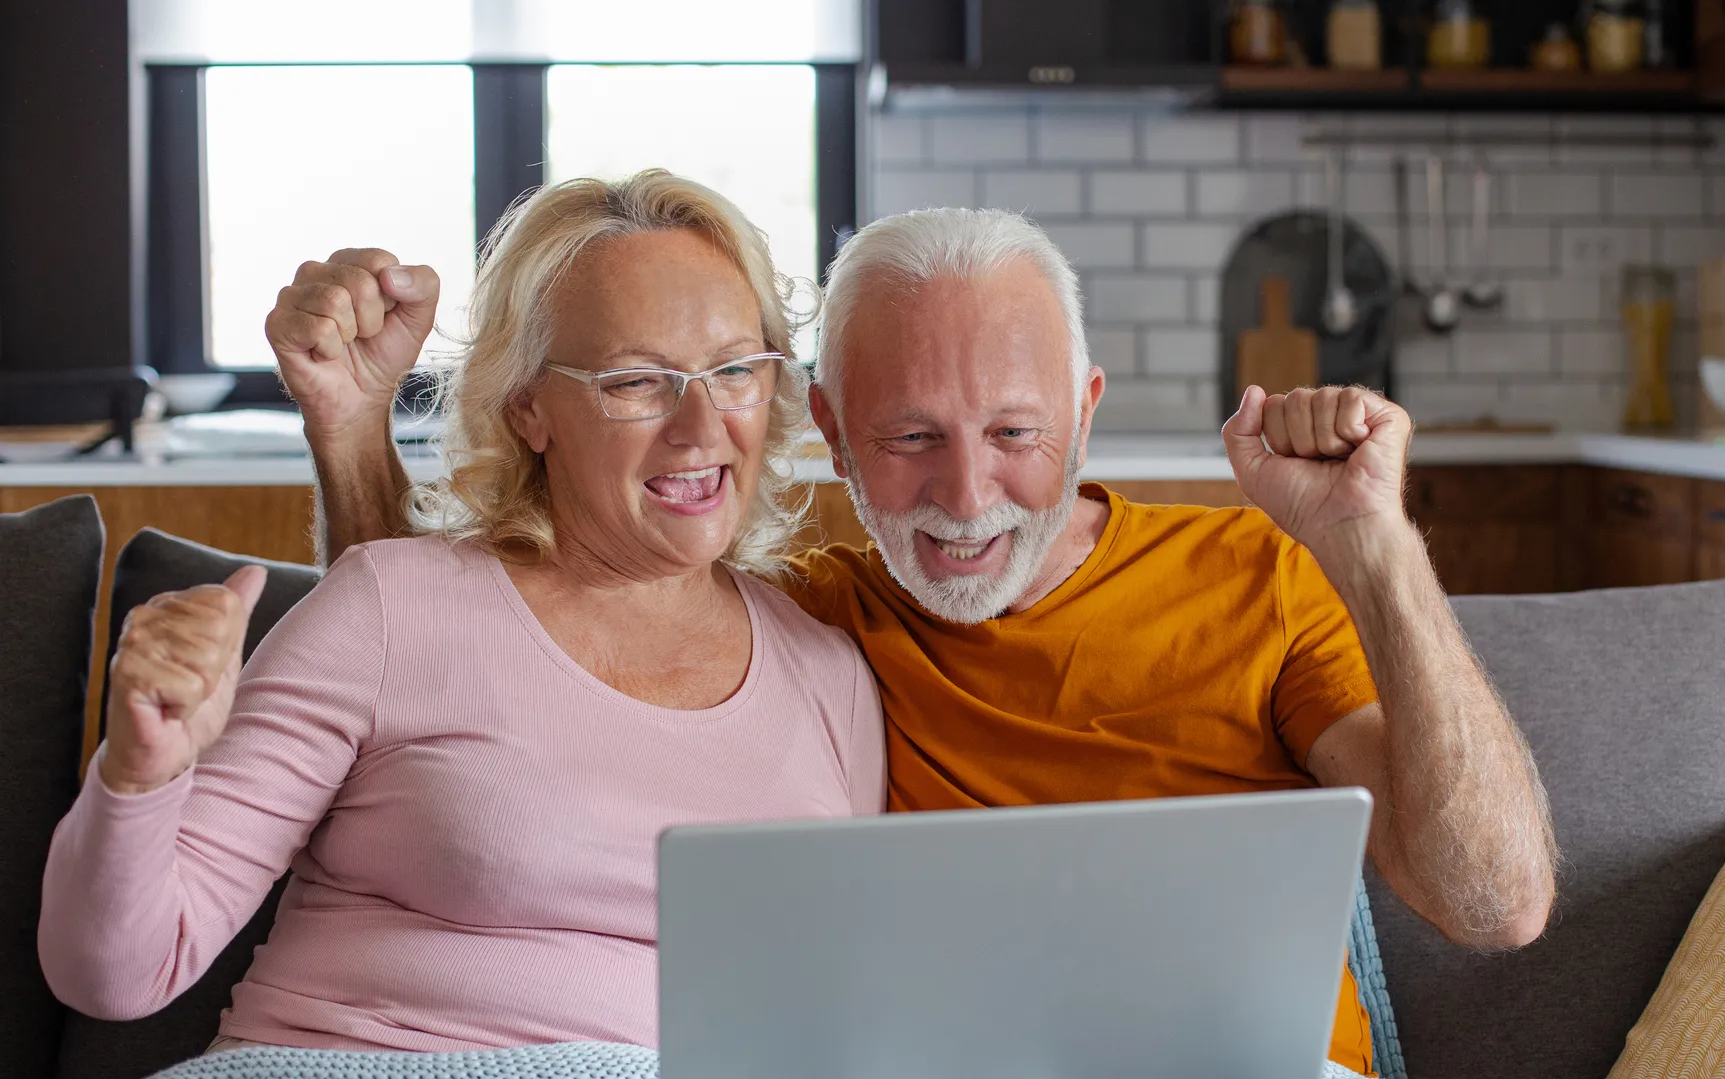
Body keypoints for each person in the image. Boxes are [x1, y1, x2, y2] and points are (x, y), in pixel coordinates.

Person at [292, 207, 1559, 1075]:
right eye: (909, 440)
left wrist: (1377, 550)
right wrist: (354, 438)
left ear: (1086, 413)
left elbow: (1495, 905)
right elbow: (447, 656)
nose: (965, 498)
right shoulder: (794, 624)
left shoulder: (1255, 579)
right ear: (832, 433)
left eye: (1015, 434)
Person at [38, 172, 885, 1055]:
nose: (700, 427)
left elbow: (843, 1017)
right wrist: (142, 775)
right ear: (528, 409)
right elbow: (114, 976)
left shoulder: (828, 679)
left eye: (735, 370)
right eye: (636, 382)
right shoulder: (390, 606)